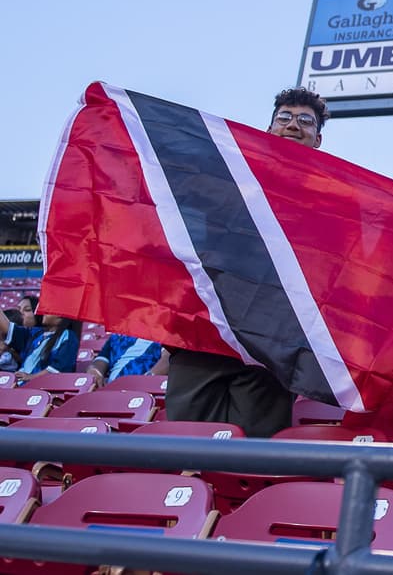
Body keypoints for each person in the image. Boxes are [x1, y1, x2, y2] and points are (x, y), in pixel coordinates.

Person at [164, 87, 330, 437]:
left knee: (252, 452)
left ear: (318, 139)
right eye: (284, 118)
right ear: (269, 129)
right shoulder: (229, 173)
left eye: (305, 121)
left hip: (273, 339)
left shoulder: (331, 198)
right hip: (208, 328)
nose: (293, 125)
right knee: (184, 442)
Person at [0, 309, 81, 384]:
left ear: (60, 316)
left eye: (49, 309)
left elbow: (60, 368)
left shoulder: (68, 336)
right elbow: (8, 329)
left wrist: (31, 377)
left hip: (42, 387)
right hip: (19, 383)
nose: (44, 311)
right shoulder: (36, 333)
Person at [88, 332, 163, 387]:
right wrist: (94, 370)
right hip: (111, 388)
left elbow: (166, 360)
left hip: (141, 390)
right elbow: (101, 359)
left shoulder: (164, 334)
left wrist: (147, 379)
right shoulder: (118, 334)